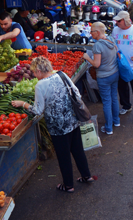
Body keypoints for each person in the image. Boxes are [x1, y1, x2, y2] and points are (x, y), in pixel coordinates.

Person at [11, 56, 95, 193]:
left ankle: (68, 185)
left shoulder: (40, 85)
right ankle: (87, 176)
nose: (34, 75)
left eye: (34, 72)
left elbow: (37, 110)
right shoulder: (62, 75)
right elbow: (77, 93)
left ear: (38, 71)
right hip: (73, 120)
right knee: (78, 150)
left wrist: (23, 104)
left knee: (64, 156)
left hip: (58, 127)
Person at [83, 22, 119, 135]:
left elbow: (96, 64)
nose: (90, 33)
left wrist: (87, 57)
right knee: (114, 97)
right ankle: (116, 121)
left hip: (104, 77)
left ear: (98, 32)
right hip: (114, 73)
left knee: (107, 102)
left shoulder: (98, 45)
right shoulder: (111, 39)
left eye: (92, 31)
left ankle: (108, 128)